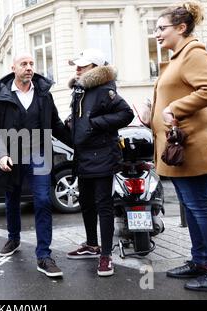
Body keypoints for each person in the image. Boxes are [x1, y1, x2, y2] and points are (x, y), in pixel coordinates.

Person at [150, 1, 207, 291]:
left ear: (181, 28)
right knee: (191, 206)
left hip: (190, 144)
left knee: (201, 206)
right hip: (177, 145)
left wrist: (175, 107)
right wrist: (151, 114)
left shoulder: (193, 52)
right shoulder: (178, 57)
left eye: (161, 28)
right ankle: (200, 260)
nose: (157, 33)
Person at [0, 53, 71, 278]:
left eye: (31, 64)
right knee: (12, 197)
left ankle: (44, 255)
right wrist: (0, 154)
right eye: (24, 64)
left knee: (42, 199)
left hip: (38, 153)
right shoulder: (0, 95)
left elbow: (57, 125)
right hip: (11, 154)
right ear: (14, 68)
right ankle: (13, 238)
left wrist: (78, 143)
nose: (29, 67)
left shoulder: (43, 94)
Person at [64, 49, 134, 277]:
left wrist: (95, 123)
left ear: (94, 67)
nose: (77, 69)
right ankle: (92, 245)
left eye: (82, 66)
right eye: (77, 65)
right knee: (86, 203)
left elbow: (126, 114)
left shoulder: (105, 88)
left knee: (103, 205)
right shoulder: (80, 89)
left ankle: (106, 255)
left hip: (102, 155)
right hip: (83, 156)